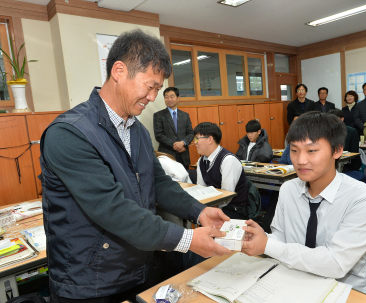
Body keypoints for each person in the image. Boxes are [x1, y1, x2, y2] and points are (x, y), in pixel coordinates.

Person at [39, 29, 232, 302]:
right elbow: (112, 209)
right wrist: (187, 240)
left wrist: (198, 211)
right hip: (89, 281)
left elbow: (160, 183)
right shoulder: (70, 133)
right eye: (150, 86)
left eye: (158, 89)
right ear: (119, 71)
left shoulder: (137, 130)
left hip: (137, 268)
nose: (153, 97)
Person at [241, 111, 366, 294]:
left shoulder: (363, 200)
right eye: (294, 150)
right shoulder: (288, 189)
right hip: (292, 284)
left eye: (312, 151)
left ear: (337, 150)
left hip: (344, 292)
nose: (300, 160)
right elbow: (281, 239)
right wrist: (263, 238)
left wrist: (268, 245)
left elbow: (335, 264)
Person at [195, 122, 251, 220]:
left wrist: (209, 210)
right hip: (214, 206)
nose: (195, 142)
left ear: (210, 139)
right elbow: (201, 189)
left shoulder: (228, 160)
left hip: (234, 209)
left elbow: (226, 196)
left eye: (197, 139)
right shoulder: (201, 161)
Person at [153, 87, 194, 169]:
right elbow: (159, 135)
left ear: (178, 98)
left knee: (185, 180)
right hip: (167, 155)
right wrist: (175, 145)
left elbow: (190, 133)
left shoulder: (185, 115)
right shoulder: (158, 115)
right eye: (166, 97)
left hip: (183, 154)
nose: (169, 99)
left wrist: (182, 143)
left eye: (172, 96)